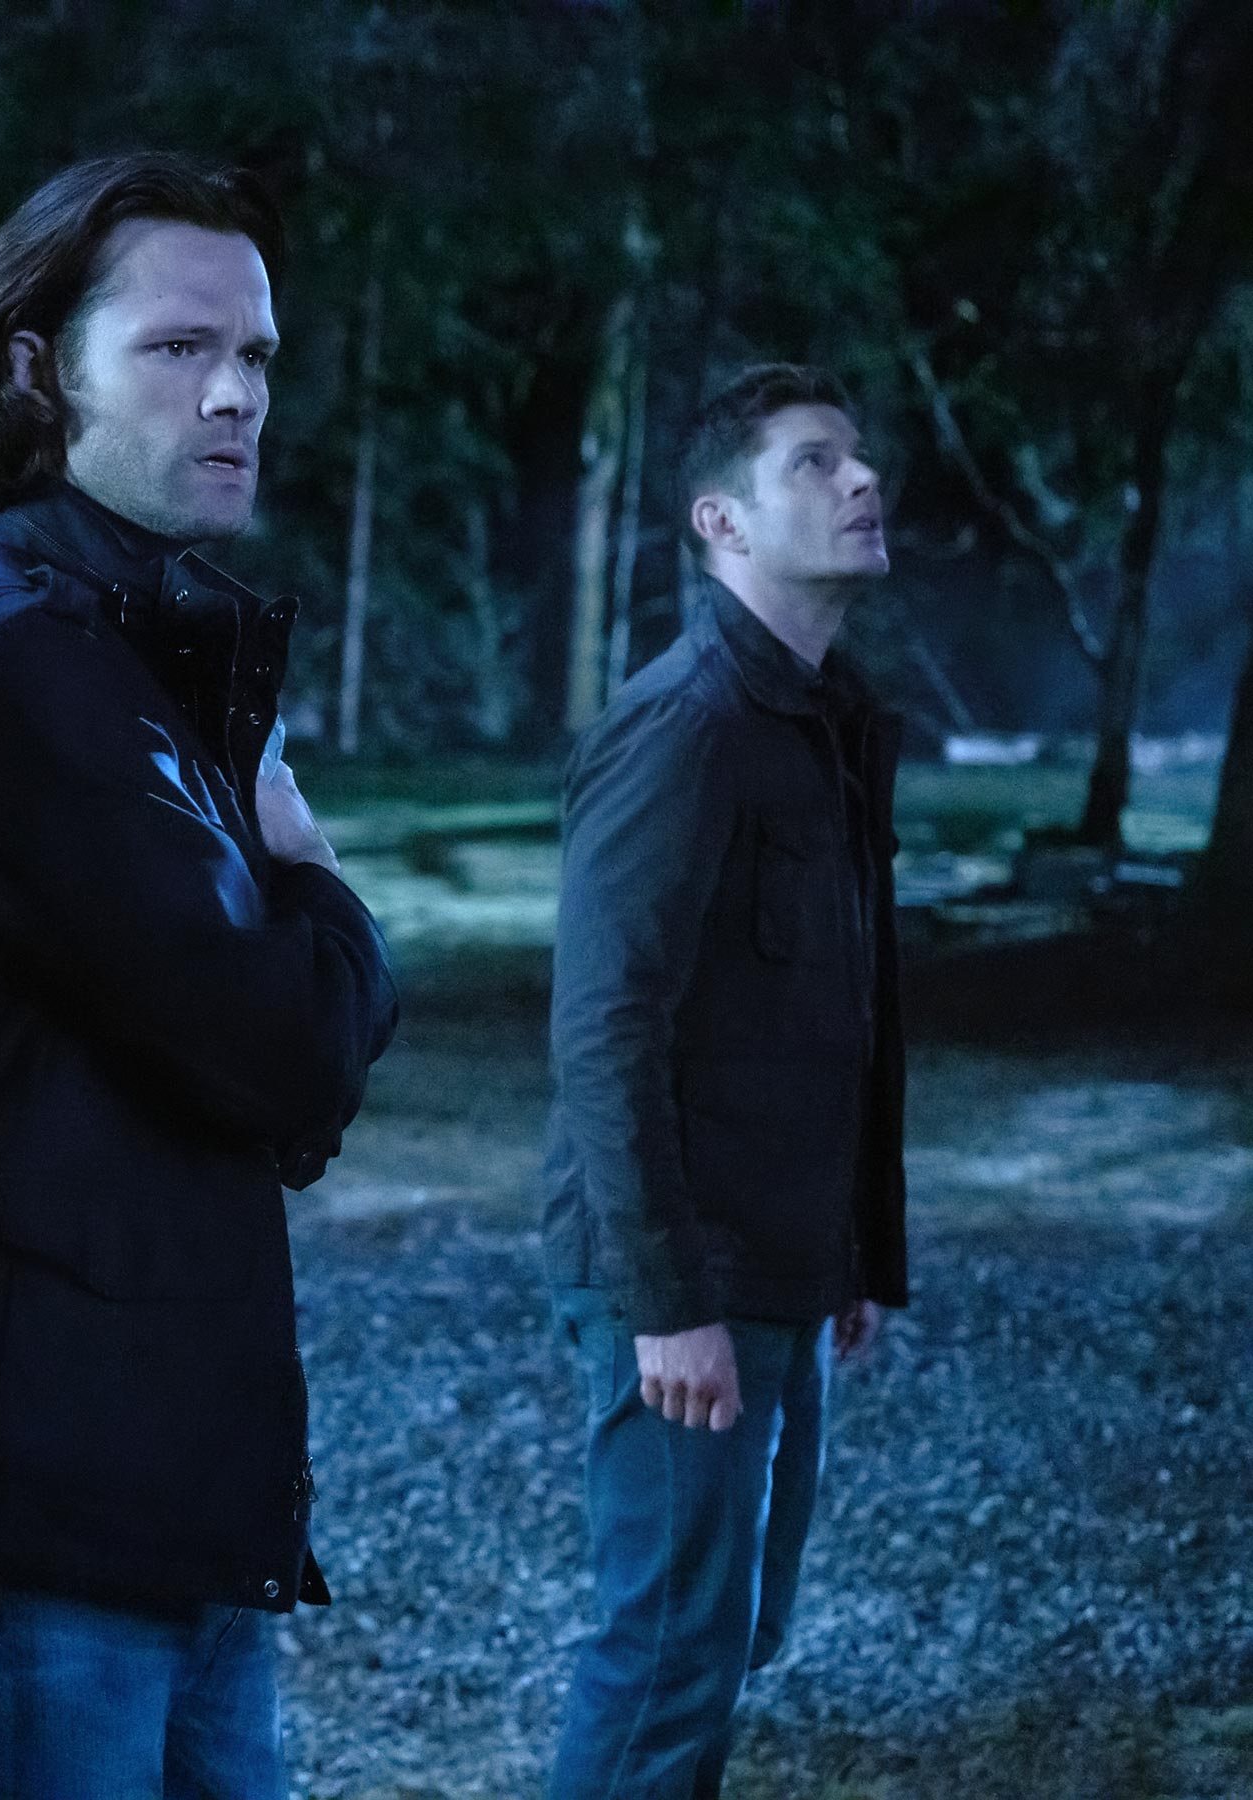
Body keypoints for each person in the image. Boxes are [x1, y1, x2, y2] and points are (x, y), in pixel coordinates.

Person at [0, 152, 402, 1799]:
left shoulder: (119, 650)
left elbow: (260, 1085)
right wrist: (317, 878)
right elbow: (289, 1053)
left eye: (256, 354)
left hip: (165, 1488)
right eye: (177, 347)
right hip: (40, 1502)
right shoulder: (10, 670)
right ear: (35, 370)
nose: (235, 394)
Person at [539, 362, 909, 1799]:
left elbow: (833, 1012)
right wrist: (668, 1300)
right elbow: (605, 1028)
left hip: (776, 1264)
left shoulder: (824, 721)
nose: (861, 480)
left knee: (733, 1632)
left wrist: (848, 1248)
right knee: (667, 1655)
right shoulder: (687, 725)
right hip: (688, 1274)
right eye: (814, 462)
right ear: (723, 521)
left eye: (857, 457)